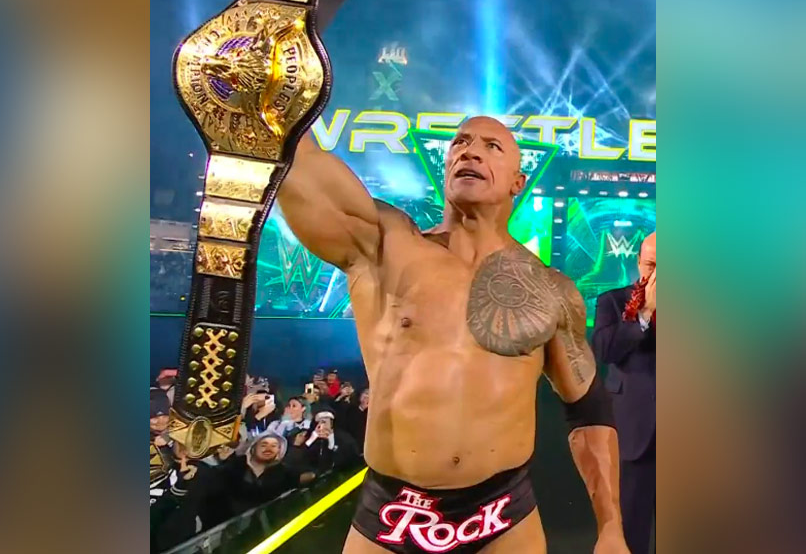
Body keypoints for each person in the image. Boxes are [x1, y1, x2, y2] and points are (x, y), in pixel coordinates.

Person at [278, 116, 628, 553]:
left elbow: (588, 408)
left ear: (518, 182)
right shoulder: (384, 244)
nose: (471, 151)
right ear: (446, 166)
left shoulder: (551, 290)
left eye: (492, 147)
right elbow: (297, 161)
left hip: (502, 517)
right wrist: (276, 96)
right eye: (460, 143)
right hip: (392, 513)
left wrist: (611, 527)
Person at [592, 232, 656, 554]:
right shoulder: (612, 302)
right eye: (652, 265)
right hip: (636, 432)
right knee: (631, 528)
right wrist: (645, 314)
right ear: (638, 262)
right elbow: (605, 351)